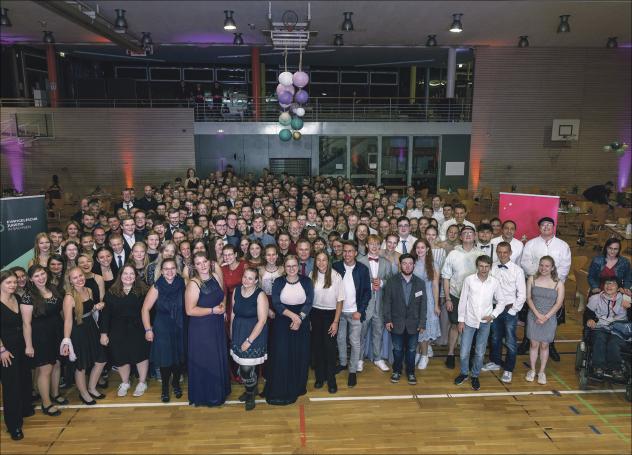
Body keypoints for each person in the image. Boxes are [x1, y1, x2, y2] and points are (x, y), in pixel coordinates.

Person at [520, 217, 571, 361]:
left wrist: (552, 280)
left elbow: (565, 266)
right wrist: (538, 277)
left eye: (549, 225)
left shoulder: (563, 245)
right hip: (535, 284)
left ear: (553, 227)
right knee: (530, 316)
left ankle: (550, 345)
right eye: (543, 225)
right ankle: (526, 342)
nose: (546, 227)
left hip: (554, 286)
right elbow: (525, 262)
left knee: (553, 317)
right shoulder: (531, 244)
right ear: (539, 227)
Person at [265, 255, 314, 405]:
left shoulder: (306, 281)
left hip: (302, 321)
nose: (292, 269)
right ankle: (282, 384)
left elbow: (309, 302)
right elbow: (277, 303)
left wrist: (299, 318)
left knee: (300, 353)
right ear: (284, 268)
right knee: (282, 353)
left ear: (298, 266)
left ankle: (298, 385)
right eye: (288, 266)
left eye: (294, 266)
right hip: (282, 321)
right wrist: (294, 317)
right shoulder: (279, 282)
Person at [453, 255, 506, 391]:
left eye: (486, 266)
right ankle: (464, 373)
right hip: (469, 321)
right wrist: (461, 320)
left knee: (480, 352)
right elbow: (463, 301)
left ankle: (475, 375)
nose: (484, 269)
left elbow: (501, 302)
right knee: (464, 351)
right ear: (477, 266)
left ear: (490, 267)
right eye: (481, 266)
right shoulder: (469, 280)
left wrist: (493, 315)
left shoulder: (494, 282)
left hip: (484, 323)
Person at [185, 253, 230, 407]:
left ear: (209, 262)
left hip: (216, 324)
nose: (203, 265)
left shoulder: (216, 276)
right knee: (207, 360)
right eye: (198, 263)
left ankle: (219, 391)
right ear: (194, 266)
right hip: (201, 328)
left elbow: (222, 295)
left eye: (205, 261)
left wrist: (223, 306)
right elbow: (190, 311)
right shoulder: (194, 284)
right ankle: (206, 396)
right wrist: (212, 310)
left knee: (217, 357)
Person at [21, 266, 66, 417]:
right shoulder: (28, 296)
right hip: (40, 336)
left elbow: (60, 311)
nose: (41, 278)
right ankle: (46, 403)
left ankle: (55, 393)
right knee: (45, 369)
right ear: (31, 279)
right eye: (36, 276)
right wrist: (28, 345)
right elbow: (26, 323)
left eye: (42, 274)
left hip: (56, 333)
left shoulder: (53, 289)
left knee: (57, 364)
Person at [100, 265, 150, 398]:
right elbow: (105, 314)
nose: (128, 276)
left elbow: (150, 311)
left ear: (136, 276)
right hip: (117, 330)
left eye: (131, 274)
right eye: (125, 274)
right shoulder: (111, 292)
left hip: (138, 329)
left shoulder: (143, 290)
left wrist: (149, 329)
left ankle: (142, 382)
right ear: (120, 276)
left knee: (141, 355)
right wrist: (103, 333)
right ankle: (125, 382)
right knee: (121, 357)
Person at [61, 267, 107, 405]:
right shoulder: (69, 297)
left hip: (91, 328)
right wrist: (66, 340)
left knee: (101, 359)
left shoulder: (89, 290)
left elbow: (89, 310)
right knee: (81, 365)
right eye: (75, 277)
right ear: (70, 280)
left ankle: (92, 387)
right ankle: (84, 393)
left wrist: (97, 306)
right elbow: (68, 320)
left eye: (80, 276)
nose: (79, 279)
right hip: (78, 331)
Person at [142, 258, 186, 403]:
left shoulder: (183, 282)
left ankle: (175, 383)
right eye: (166, 269)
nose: (169, 271)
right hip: (162, 326)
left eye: (172, 268)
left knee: (178, 358)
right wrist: (148, 329)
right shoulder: (157, 286)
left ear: (176, 269)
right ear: (161, 271)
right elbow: (145, 309)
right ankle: (165, 388)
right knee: (166, 360)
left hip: (180, 324)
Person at [482, 242, 526, 383]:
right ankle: (495, 362)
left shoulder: (517, 270)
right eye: (499, 252)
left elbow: (522, 295)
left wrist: (513, 311)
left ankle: (508, 369)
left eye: (505, 252)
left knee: (511, 341)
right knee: (495, 337)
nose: (502, 255)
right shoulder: (492, 267)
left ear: (510, 253)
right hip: (494, 308)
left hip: (509, 309)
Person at [441, 226, 483, 368]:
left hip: (474, 298)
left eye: (470, 233)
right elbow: (446, 277)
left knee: (471, 326)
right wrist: (447, 298)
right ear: (460, 236)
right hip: (455, 295)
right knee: (454, 325)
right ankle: (451, 354)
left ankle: (468, 354)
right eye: (464, 233)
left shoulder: (480, 254)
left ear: (475, 235)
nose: (467, 235)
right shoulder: (453, 253)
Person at [382, 254, 427, 385]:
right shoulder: (391, 281)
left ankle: (411, 372)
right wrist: (388, 320)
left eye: (410, 263)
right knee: (397, 349)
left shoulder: (420, 283)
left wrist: (422, 322)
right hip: (396, 323)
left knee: (412, 350)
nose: (407, 266)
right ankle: (396, 371)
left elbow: (423, 305)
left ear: (414, 265)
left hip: (414, 324)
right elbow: (387, 303)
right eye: (404, 263)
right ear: (400, 265)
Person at [332, 240, 371, 387]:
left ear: (355, 253)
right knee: (340, 339)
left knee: (354, 342)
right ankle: (343, 363)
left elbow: (367, 292)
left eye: (350, 251)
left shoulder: (362, 269)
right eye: (345, 251)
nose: (347, 254)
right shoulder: (335, 267)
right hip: (339, 312)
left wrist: (360, 311)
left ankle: (353, 370)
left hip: (355, 313)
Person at [1, 271, 35, 440]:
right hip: (5, 349)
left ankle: (24, 409)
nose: (13, 285)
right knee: (11, 386)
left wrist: (28, 345)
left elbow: (25, 323)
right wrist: (2, 350)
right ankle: (13, 425)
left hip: (20, 344)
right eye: (8, 282)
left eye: (14, 282)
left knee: (23, 378)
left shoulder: (17, 299)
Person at [230, 267, 269, 410]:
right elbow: (233, 313)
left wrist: (249, 340)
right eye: (245, 277)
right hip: (238, 332)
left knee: (246, 369)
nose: (246, 280)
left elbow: (262, 321)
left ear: (256, 281)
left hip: (254, 334)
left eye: (250, 278)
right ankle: (251, 390)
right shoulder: (236, 290)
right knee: (242, 367)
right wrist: (232, 333)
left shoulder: (260, 295)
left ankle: (251, 395)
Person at [525, 256, 565, 385]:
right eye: (541, 265)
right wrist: (537, 315)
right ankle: (532, 370)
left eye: (547, 266)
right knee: (534, 344)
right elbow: (528, 298)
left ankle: (541, 372)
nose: (543, 268)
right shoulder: (532, 279)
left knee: (544, 345)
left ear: (552, 267)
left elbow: (558, 304)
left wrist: (545, 317)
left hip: (549, 317)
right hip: (533, 316)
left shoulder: (559, 283)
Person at [358, 235, 396, 372]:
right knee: (361, 333)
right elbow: (356, 283)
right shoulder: (360, 261)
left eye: (377, 244)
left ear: (380, 246)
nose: (374, 247)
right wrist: (369, 284)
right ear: (367, 245)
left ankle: (378, 358)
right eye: (371, 244)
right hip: (364, 305)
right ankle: (359, 359)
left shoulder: (386, 262)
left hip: (379, 304)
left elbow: (390, 281)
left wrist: (381, 283)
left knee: (378, 332)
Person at [584, 277, 631, 380]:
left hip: (619, 329)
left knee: (614, 343)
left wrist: (630, 308)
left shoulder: (625, 299)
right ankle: (598, 367)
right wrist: (590, 320)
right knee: (599, 339)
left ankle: (616, 369)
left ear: (619, 288)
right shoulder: (596, 298)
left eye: (613, 284)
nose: (609, 286)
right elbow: (587, 314)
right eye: (607, 283)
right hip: (601, 327)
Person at [311, 252, 344, 393]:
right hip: (315, 314)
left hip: (331, 315)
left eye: (324, 260)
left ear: (328, 261)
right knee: (318, 348)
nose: (321, 263)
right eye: (318, 260)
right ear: (315, 261)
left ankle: (331, 380)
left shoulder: (336, 276)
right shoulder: (311, 275)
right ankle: (320, 377)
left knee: (330, 349)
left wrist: (335, 322)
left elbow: (340, 300)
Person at [411, 239, 440, 370]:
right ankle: (418, 352)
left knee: (425, 329)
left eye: (423, 247)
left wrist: (436, 305)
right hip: (414, 300)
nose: (420, 250)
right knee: (416, 328)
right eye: (418, 247)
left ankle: (424, 356)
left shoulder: (433, 264)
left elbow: (435, 285)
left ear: (427, 249)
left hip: (427, 300)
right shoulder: (412, 263)